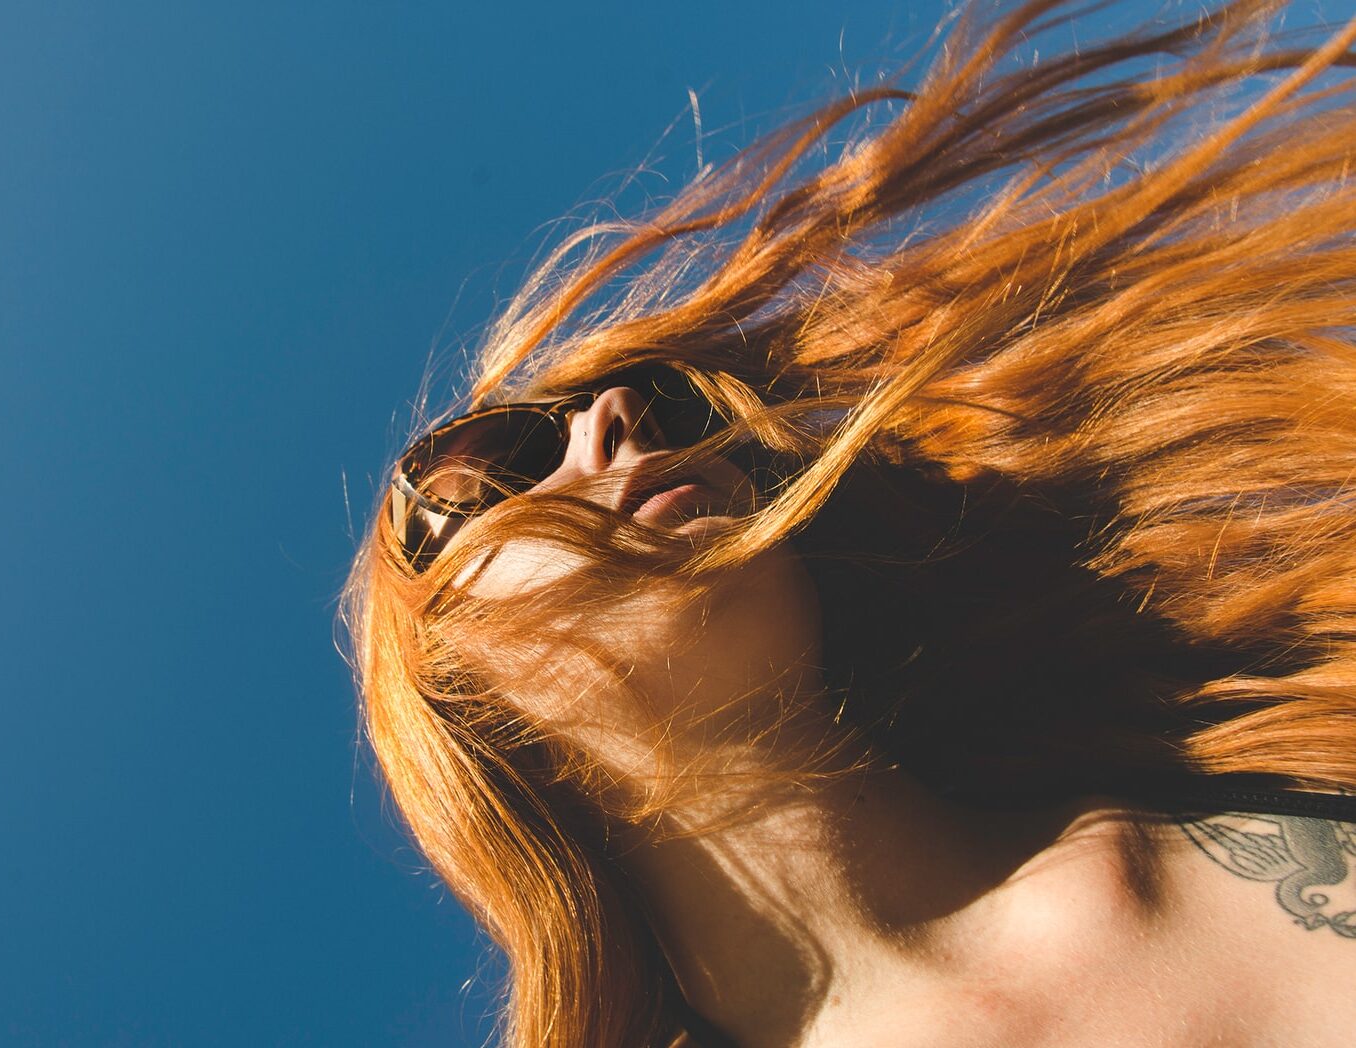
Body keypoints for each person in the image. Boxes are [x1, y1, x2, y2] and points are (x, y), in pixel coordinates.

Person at [342, 1, 1356, 1044]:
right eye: (492, 470)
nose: (612, 419)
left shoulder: (1282, 797)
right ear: (456, 697)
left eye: (674, 408)